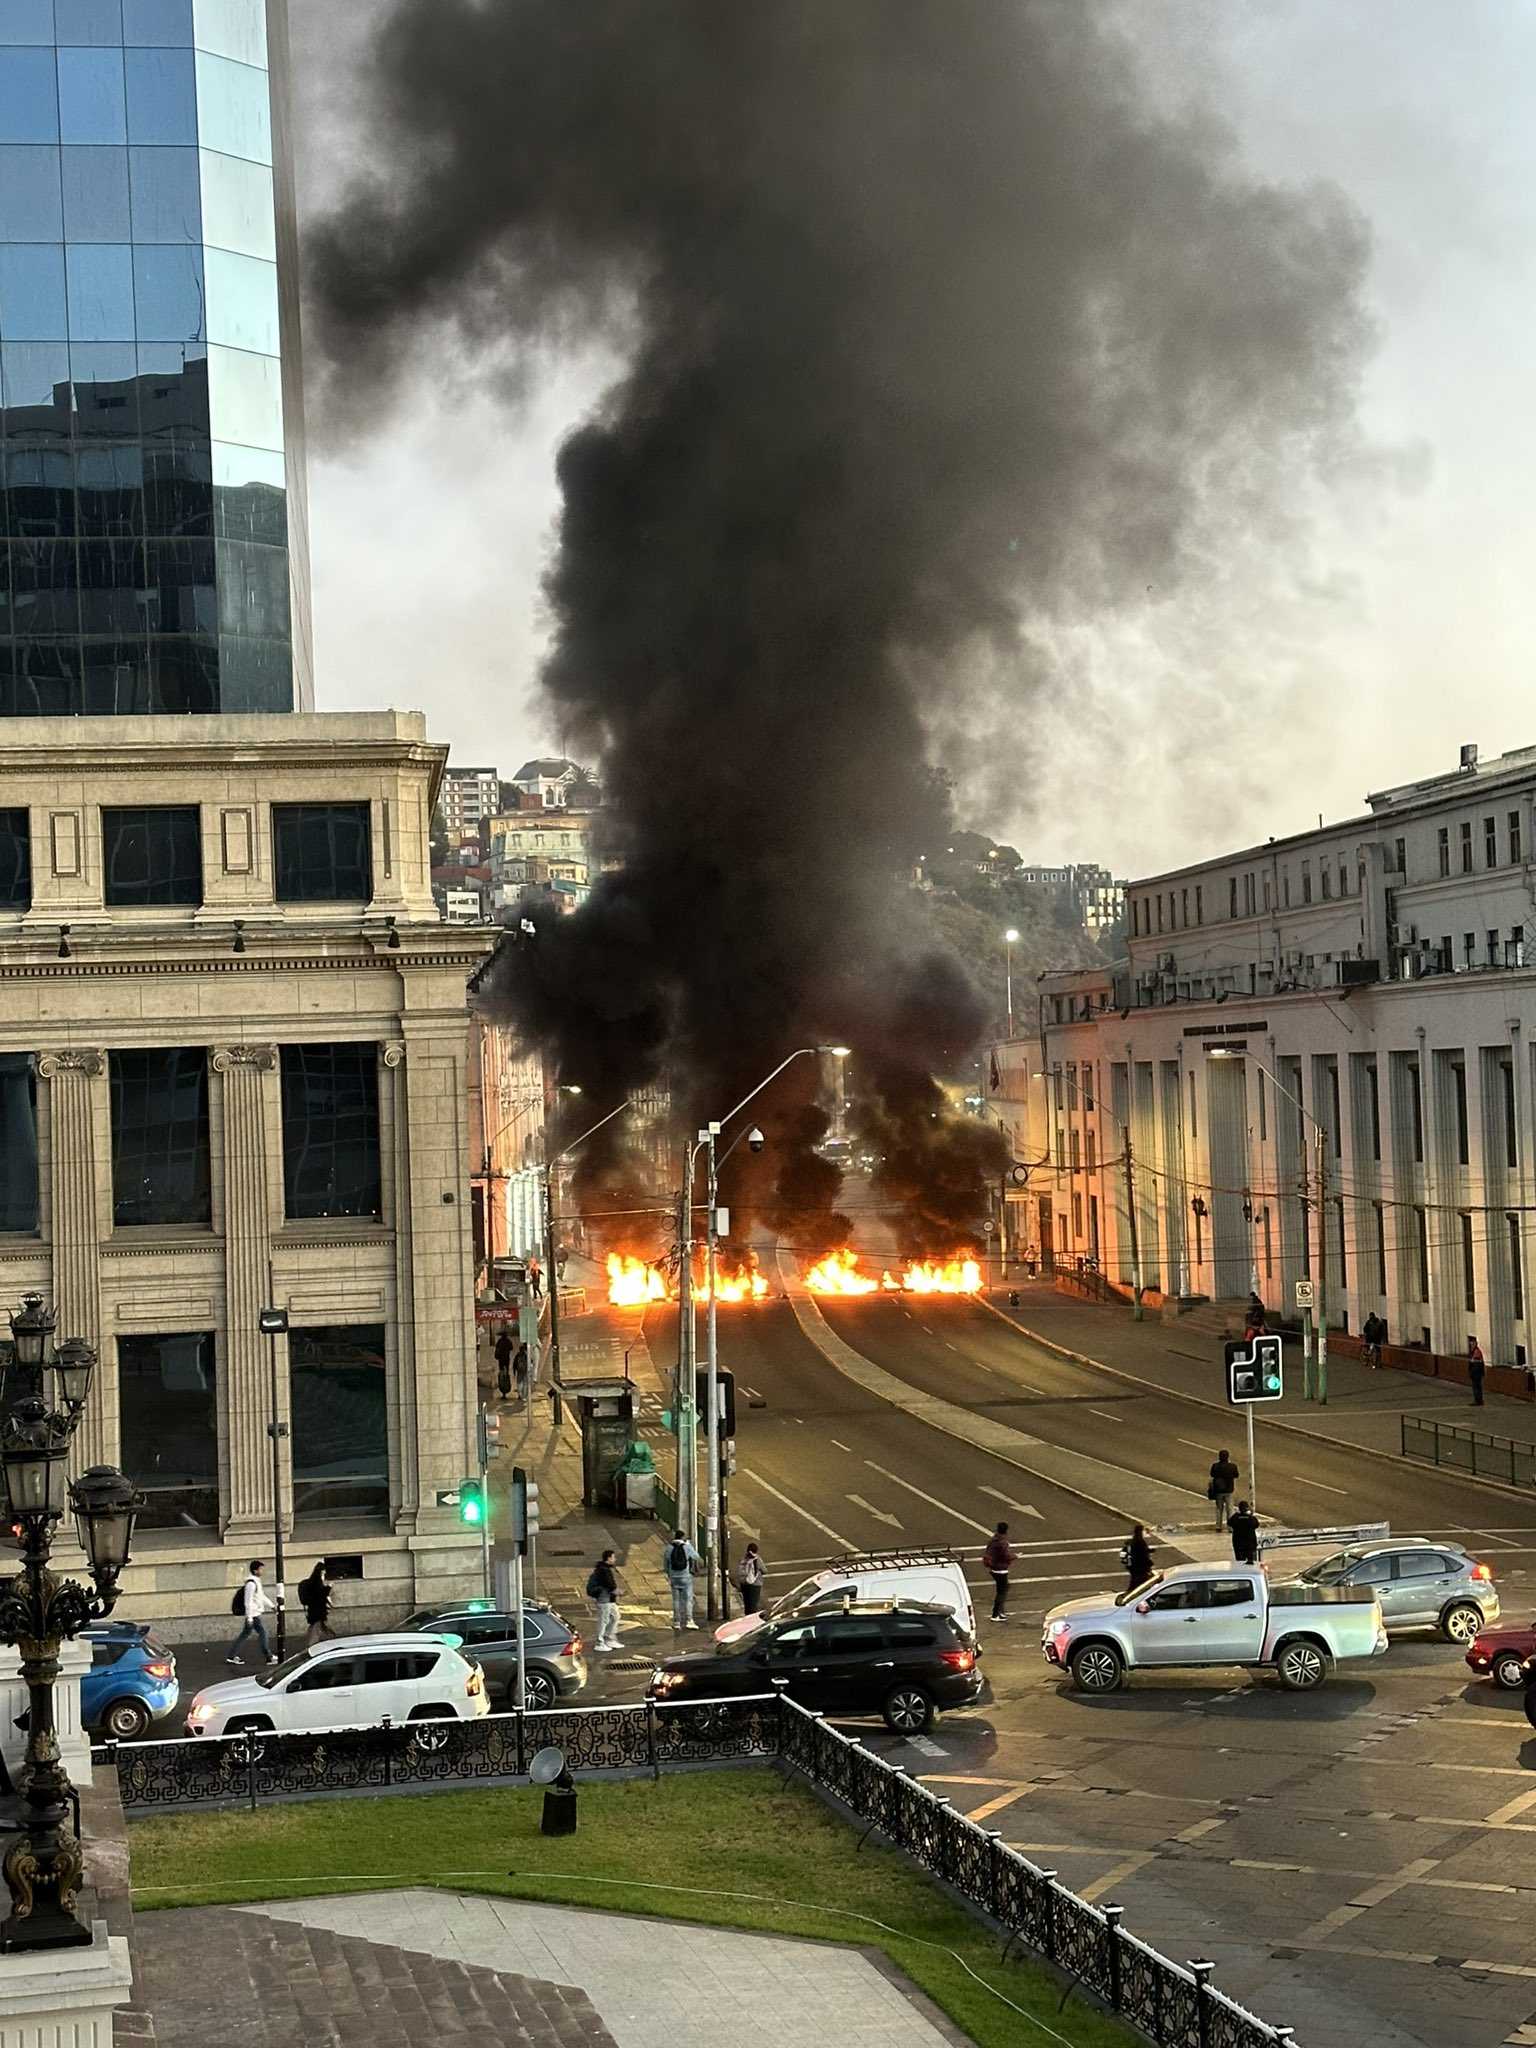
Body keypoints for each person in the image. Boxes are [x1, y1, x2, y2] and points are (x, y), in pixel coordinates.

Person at [227, 1559, 278, 1666]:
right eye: (261, 1569)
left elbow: (261, 1596)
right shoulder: (251, 1584)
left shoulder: (256, 1582)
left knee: (245, 1634)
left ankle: (231, 1656)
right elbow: (248, 1601)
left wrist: (272, 1606)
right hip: (253, 1614)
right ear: (255, 1571)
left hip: (254, 1614)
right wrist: (249, 1618)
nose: (262, 1571)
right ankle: (269, 1657)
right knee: (263, 1633)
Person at [664, 1527, 702, 1630]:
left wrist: (669, 1574)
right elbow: (697, 1557)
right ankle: (689, 1620)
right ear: (682, 1538)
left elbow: (666, 1564)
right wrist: (689, 1545)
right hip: (685, 1577)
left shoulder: (669, 1548)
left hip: (674, 1577)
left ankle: (677, 1622)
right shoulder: (687, 1547)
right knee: (688, 1599)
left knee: (676, 1600)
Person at [586, 1548, 622, 1650]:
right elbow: (610, 1585)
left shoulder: (606, 1569)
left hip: (610, 1599)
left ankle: (609, 1638)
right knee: (603, 1620)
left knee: (615, 1617)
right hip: (604, 1599)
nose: (615, 1559)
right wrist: (617, 1591)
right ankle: (599, 1643)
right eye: (613, 1557)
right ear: (609, 1558)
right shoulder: (603, 1570)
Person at [297, 1561, 335, 1648]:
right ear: (321, 1571)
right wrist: (329, 1587)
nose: (324, 1574)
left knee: (320, 1628)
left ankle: (327, 1643)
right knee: (316, 1630)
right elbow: (321, 1595)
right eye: (324, 1572)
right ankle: (312, 1647)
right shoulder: (317, 1582)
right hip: (317, 1611)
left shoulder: (313, 1581)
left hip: (314, 1610)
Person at [982, 1521, 1014, 1621]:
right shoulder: (1002, 1542)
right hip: (1001, 1569)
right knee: (1002, 1592)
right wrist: (1015, 1556)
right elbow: (1006, 1556)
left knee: (1004, 1589)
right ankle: (996, 1614)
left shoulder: (994, 1540)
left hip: (993, 1568)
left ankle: (1000, 1612)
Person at [1208, 1448, 1239, 1529]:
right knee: (1230, 1509)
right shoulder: (1232, 1466)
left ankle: (1218, 1526)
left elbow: (1212, 1474)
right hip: (1229, 1490)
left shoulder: (1215, 1466)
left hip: (1218, 1490)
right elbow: (1236, 1475)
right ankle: (1230, 1527)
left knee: (1219, 1508)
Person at [735, 1541, 766, 1616]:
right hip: (755, 1585)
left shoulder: (743, 1559)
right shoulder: (757, 1559)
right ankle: (752, 1619)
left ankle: (747, 1617)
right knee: (753, 1606)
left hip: (744, 1584)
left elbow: (739, 1571)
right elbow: (764, 1570)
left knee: (747, 1605)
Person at [1228, 1499, 1261, 1567]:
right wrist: (1250, 1514)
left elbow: (1229, 1523)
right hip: (1250, 1544)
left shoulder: (1236, 1517)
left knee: (1240, 1563)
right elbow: (1256, 1524)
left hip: (1238, 1544)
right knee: (1251, 1562)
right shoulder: (1251, 1518)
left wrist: (1237, 1514)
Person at [1122, 1523, 1154, 1590]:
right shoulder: (1139, 1541)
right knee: (1140, 1580)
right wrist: (1148, 1562)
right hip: (1139, 1566)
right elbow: (1141, 1554)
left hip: (1134, 1566)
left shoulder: (1133, 1541)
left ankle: (1131, 1591)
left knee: (1135, 1580)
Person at [494, 1326, 514, 1400]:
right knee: (506, 1374)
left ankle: (503, 1391)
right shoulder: (508, 1341)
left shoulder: (500, 1341)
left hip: (501, 1360)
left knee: (502, 1373)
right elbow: (511, 1348)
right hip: (506, 1359)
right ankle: (505, 1388)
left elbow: (497, 1349)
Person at [1469, 1338, 1487, 1406]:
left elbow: (1476, 1361)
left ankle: (1478, 1400)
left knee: (1477, 1387)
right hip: (1476, 1372)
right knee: (1477, 1387)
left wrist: (1472, 1361)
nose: (1471, 1345)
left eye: (1473, 1344)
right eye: (1471, 1344)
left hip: (1477, 1372)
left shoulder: (1476, 1351)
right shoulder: (1474, 1351)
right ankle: (1478, 1400)